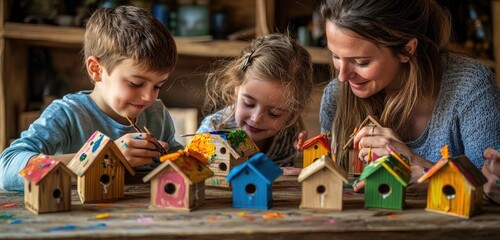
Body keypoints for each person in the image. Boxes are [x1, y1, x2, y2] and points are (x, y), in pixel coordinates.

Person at [318, 0, 500, 190]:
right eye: (336, 56)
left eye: (361, 62)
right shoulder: (336, 97)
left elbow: (489, 186)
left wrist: (413, 162)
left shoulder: (470, 86)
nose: (342, 76)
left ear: (406, 49)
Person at [0, 6, 183, 191]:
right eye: (135, 83)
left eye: (158, 85)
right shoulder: (67, 114)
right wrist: (101, 158)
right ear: (96, 70)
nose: (148, 96)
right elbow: (6, 170)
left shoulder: (156, 114)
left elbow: (177, 163)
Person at [197, 33, 313, 167]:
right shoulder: (212, 129)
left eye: (274, 113)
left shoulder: (286, 136)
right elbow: (194, 175)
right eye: (249, 104)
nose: (256, 118)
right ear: (236, 89)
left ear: (293, 112)